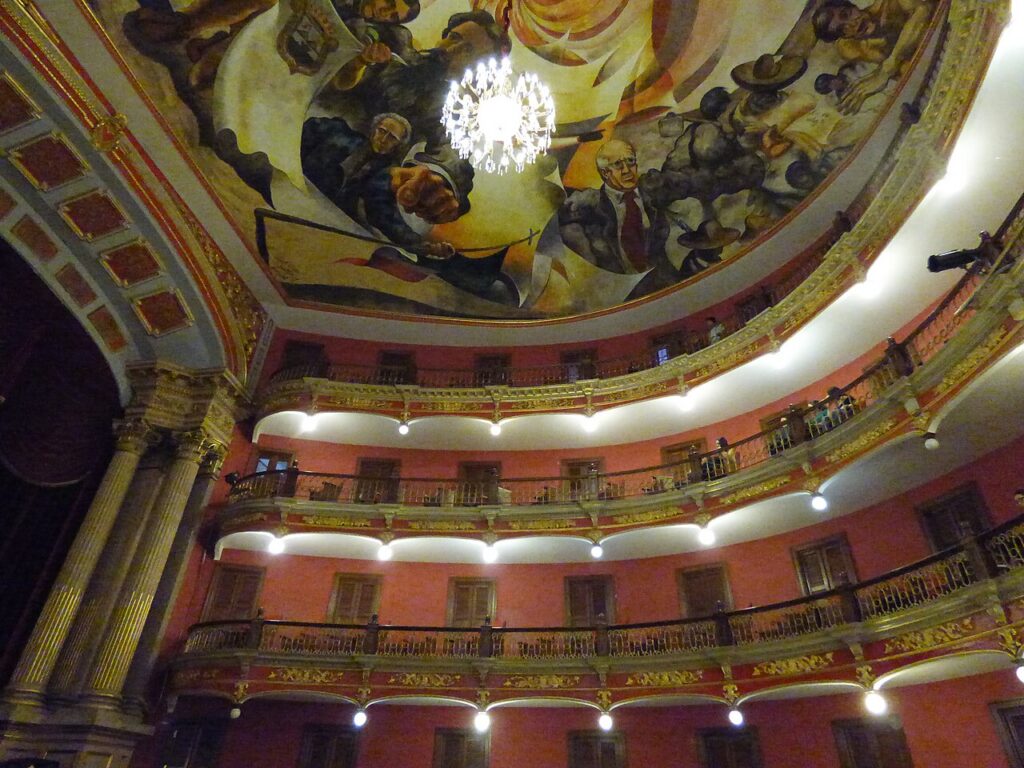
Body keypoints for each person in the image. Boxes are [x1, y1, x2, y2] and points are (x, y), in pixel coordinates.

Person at [328, 10, 510, 151]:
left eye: (468, 50)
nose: (452, 49)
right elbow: (338, 82)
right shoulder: (396, 47)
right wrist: (362, 61)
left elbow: (444, 161)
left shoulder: (452, 118)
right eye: (454, 37)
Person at [558, 139, 669, 279]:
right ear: (605, 173)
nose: (627, 170)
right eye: (618, 165)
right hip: (621, 286)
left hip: (663, 279)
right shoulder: (590, 207)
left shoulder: (653, 193)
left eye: (630, 161)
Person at [809, 0, 934, 113]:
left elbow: (924, 10)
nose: (851, 25)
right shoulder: (853, 48)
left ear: (853, 6)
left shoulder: (889, 3)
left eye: (845, 14)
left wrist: (886, 70)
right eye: (842, 30)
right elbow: (897, 68)